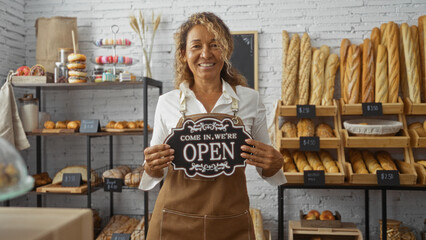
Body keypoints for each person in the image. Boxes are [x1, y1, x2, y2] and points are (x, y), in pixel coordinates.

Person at [140, 12, 286, 239]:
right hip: (174, 221)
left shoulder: (250, 100)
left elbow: (265, 167)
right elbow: (153, 171)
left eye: (215, 45)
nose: (205, 54)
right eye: (196, 46)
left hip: (229, 222)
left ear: (225, 50)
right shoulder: (167, 102)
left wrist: (274, 162)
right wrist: (151, 165)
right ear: (183, 54)